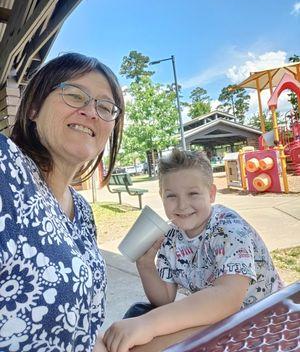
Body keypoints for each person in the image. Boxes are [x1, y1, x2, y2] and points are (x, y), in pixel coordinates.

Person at [0, 53, 124, 351]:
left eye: (105, 107)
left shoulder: (82, 210)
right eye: (74, 95)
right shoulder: (5, 165)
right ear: (33, 108)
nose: (91, 112)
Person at [103, 149, 283, 352]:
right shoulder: (171, 237)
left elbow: (228, 298)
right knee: (138, 314)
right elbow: (164, 299)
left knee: (143, 337)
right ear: (162, 197)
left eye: (193, 193)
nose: (182, 204)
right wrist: (145, 265)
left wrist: (149, 324)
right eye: (171, 196)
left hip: (264, 319)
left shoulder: (229, 228)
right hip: (219, 319)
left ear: (212, 193)